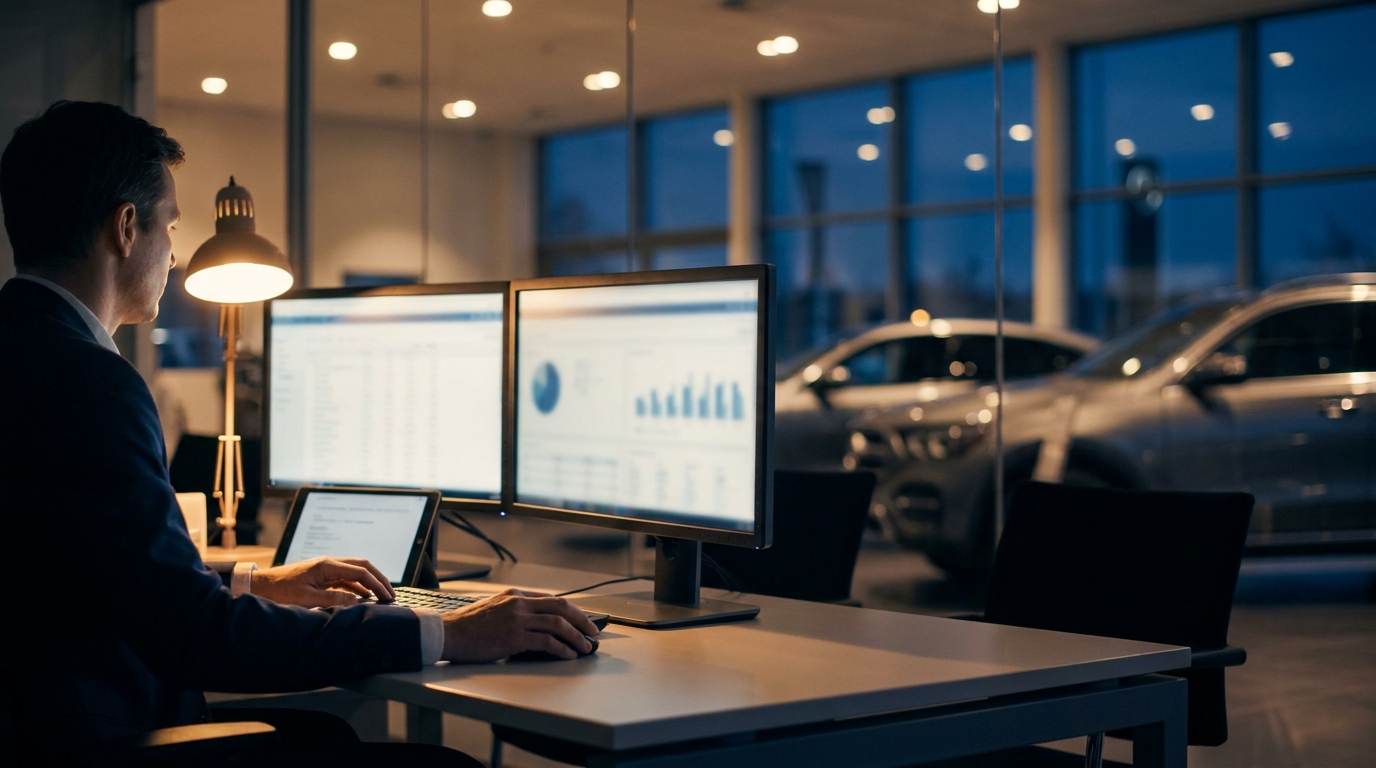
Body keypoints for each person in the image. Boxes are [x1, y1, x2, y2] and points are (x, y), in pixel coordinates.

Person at [0, 101, 599, 767]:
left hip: (47, 728)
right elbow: (193, 638)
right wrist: (444, 631)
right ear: (126, 227)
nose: (172, 252)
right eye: (170, 225)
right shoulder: (90, 384)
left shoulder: (22, 353)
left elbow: (108, 574)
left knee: (334, 737)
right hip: (105, 740)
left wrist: (257, 583)